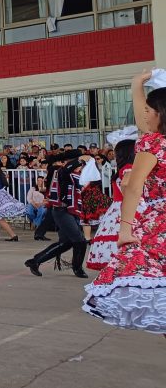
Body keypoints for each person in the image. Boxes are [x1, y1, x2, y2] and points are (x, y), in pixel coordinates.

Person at [83, 70, 166, 334]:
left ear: (159, 113)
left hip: (157, 224)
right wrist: (137, 84)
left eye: (148, 110)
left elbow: (133, 188)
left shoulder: (154, 145)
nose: (144, 114)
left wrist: (125, 229)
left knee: (150, 287)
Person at [23, 149, 89, 278]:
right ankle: (77, 268)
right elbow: (68, 169)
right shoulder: (62, 171)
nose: (81, 165)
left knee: (66, 242)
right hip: (62, 210)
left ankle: (35, 261)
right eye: (79, 162)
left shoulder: (74, 174)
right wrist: (80, 160)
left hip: (69, 210)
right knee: (80, 241)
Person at [86, 138, 136, 270]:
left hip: (116, 208)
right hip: (126, 207)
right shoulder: (129, 168)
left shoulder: (121, 168)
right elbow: (126, 185)